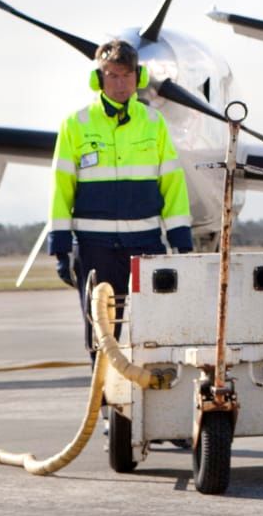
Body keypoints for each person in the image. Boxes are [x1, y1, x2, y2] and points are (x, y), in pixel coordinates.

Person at [50, 39, 193, 356]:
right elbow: (61, 187)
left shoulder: (154, 123)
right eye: (112, 75)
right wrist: (60, 247)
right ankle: (104, 402)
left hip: (145, 246)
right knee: (101, 335)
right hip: (94, 248)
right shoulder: (75, 125)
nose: (120, 83)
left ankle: (150, 396)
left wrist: (181, 237)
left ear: (138, 78)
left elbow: (171, 182)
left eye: (127, 75)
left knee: (154, 330)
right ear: (98, 79)